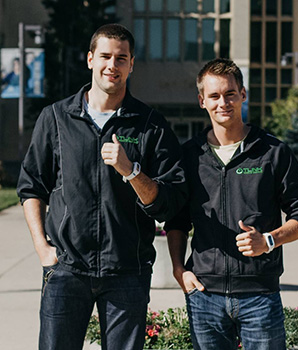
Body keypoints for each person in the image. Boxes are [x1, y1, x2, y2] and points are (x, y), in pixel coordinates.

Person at [17, 23, 187, 350]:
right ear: (90, 59)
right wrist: (43, 249)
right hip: (66, 269)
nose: (113, 65)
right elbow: (31, 186)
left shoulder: (150, 125)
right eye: (106, 56)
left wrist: (132, 171)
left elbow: (169, 200)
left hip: (127, 271)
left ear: (132, 64)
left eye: (121, 58)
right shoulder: (56, 118)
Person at [165, 58, 298, 350]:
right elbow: (177, 221)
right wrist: (177, 269)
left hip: (259, 296)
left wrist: (269, 240)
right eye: (214, 96)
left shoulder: (273, 153)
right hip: (204, 294)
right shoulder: (189, 156)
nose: (223, 102)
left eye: (230, 93)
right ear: (202, 101)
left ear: (243, 94)